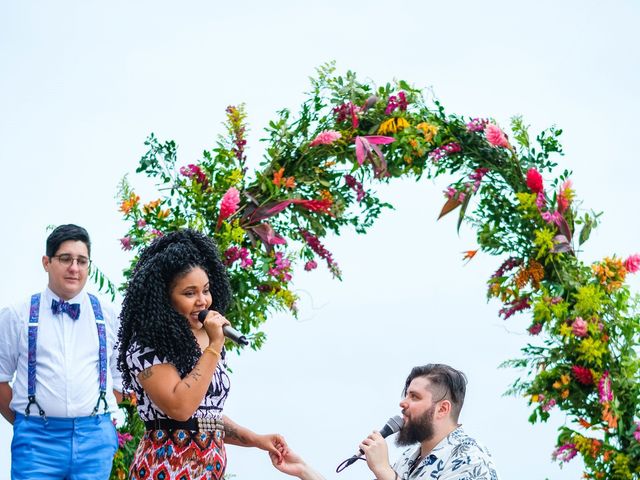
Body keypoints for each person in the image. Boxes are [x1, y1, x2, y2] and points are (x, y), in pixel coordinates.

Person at [117, 228, 287, 480]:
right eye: (189, 293)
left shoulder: (207, 341)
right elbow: (181, 408)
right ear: (165, 299)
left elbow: (205, 415)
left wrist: (254, 439)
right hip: (165, 470)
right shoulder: (146, 348)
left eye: (205, 290)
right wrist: (215, 346)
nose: (202, 301)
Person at [0, 224, 123, 480]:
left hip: (94, 442)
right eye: (65, 259)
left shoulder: (110, 316)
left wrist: (94, 421)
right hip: (36, 443)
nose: (74, 268)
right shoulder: (17, 315)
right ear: (46, 262)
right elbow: (0, 378)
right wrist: (27, 423)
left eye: (82, 261)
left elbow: (120, 380)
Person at [270, 364, 499, 480]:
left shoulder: (471, 459)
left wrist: (383, 471)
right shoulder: (409, 459)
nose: (403, 403)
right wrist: (303, 470)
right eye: (406, 394)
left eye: (415, 397)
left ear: (442, 408)